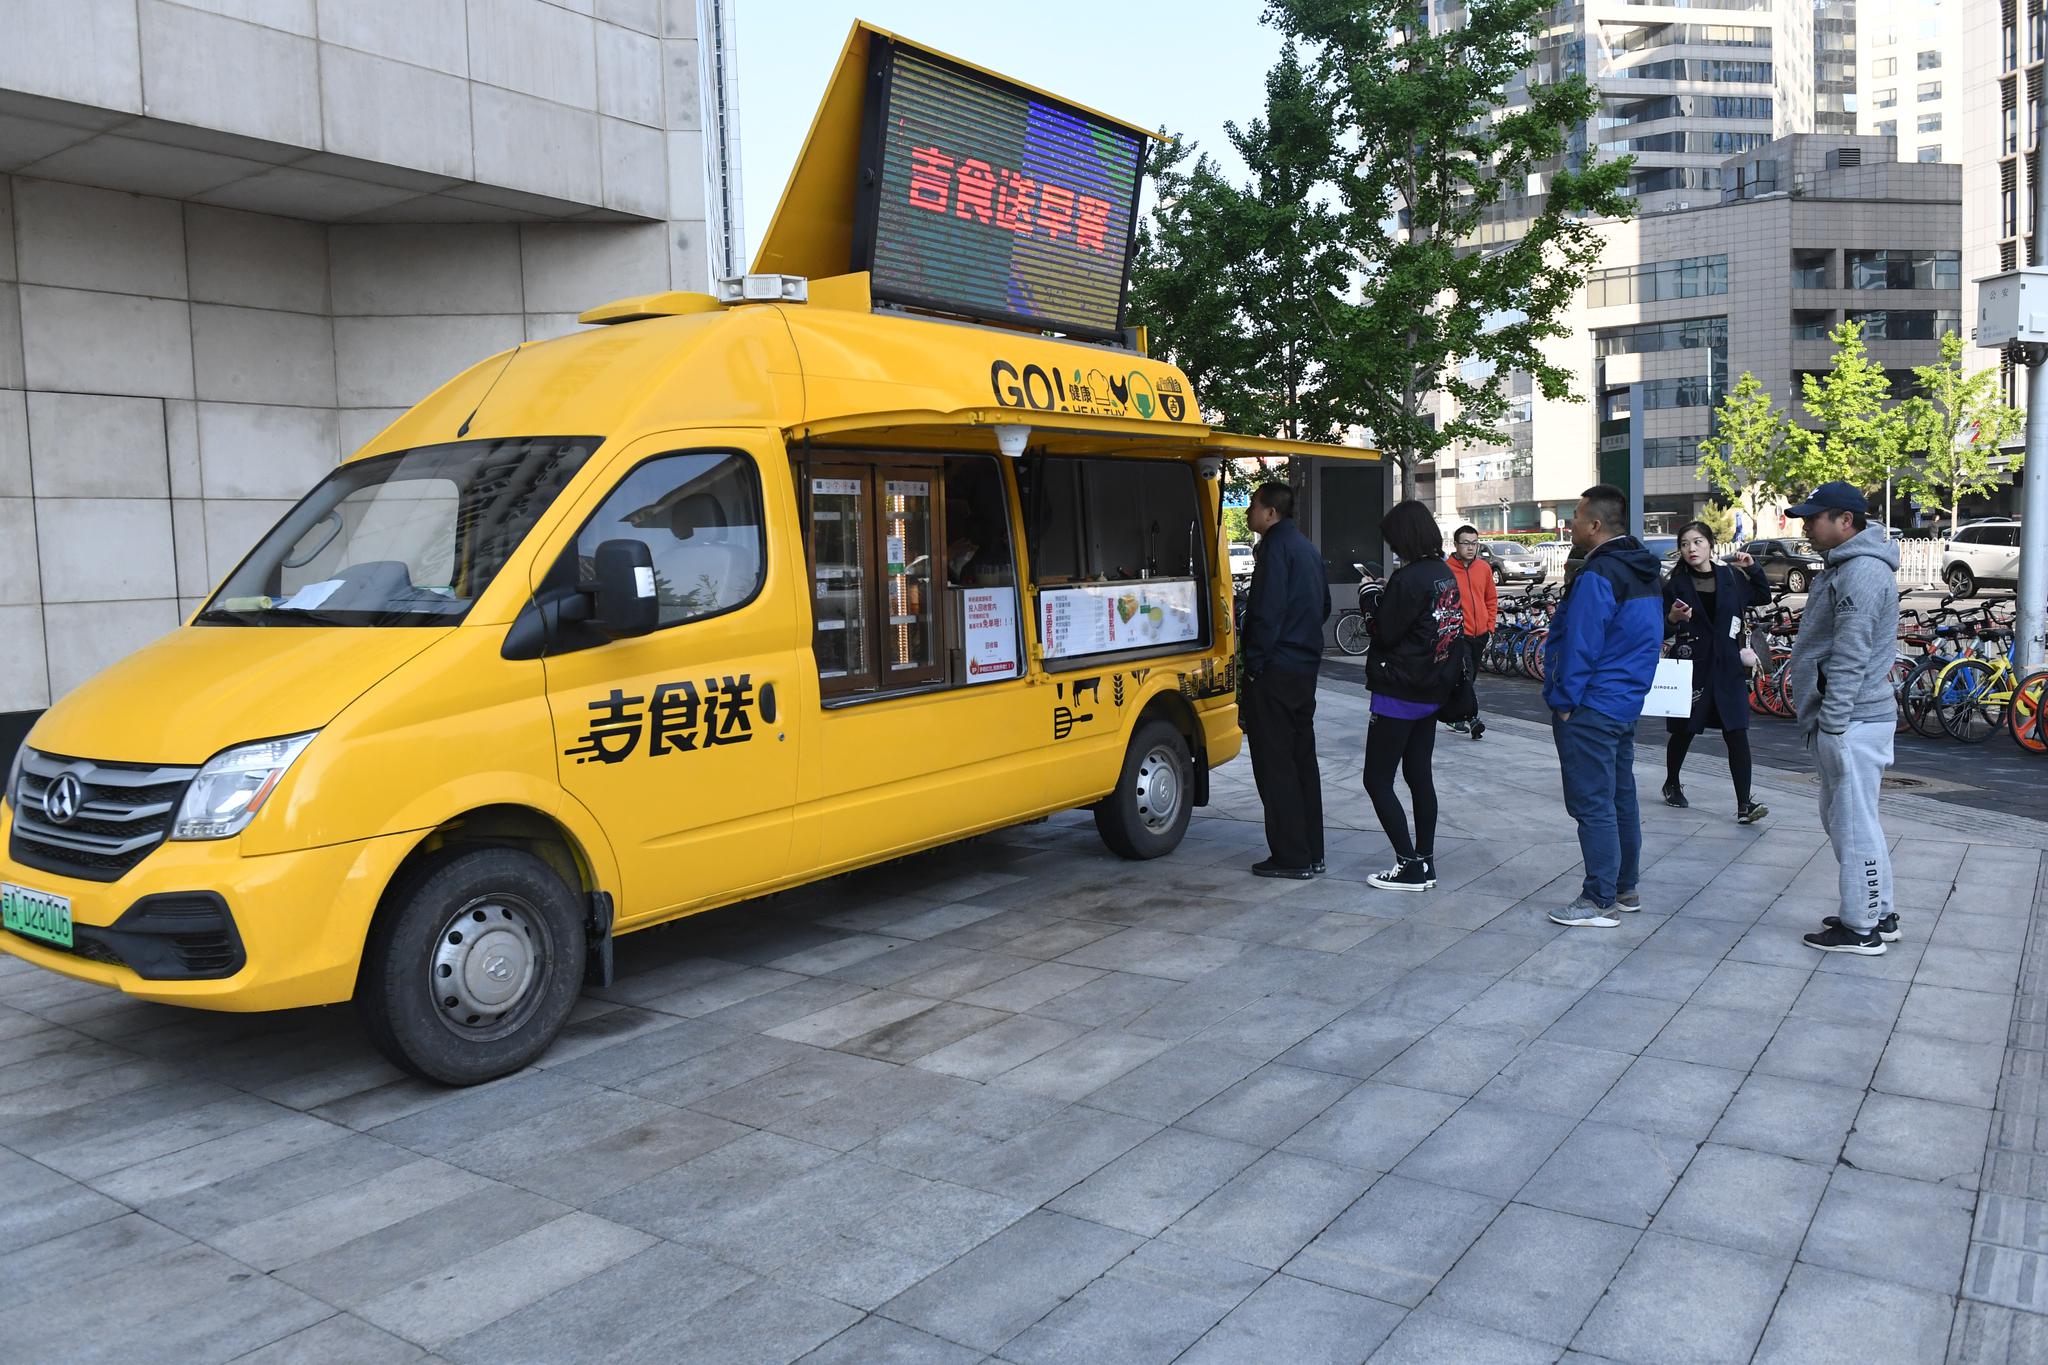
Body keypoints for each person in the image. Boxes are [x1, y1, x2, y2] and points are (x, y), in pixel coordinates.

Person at [1786, 483, 1902, 955]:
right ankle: (1880, 912)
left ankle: (1861, 927)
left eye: (1814, 518)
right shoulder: (1848, 567)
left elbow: (1851, 654)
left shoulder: (1862, 573)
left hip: (1851, 720)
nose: (1805, 525)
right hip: (1847, 718)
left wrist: (1832, 723)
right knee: (1850, 819)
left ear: (1845, 521)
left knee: (1852, 823)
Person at [1543, 484, 1665, 928]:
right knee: (1620, 798)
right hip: (1624, 701)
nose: (1570, 523)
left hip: (1591, 705)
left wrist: (1564, 702)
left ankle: (1598, 899)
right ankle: (1624, 888)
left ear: (1595, 525)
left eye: (1575, 516)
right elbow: (1648, 637)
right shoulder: (1644, 570)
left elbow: (1580, 643)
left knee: (1593, 804)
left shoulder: (1599, 575)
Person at [1360, 501, 1466, 891]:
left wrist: (1370, 596)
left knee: (1377, 779)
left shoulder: (1408, 579)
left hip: (1399, 691)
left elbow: (1383, 631)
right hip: (1431, 689)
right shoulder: (1442, 573)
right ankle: (1425, 860)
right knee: (1419, 775)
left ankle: (1407, 864)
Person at [1240, 481, 1331, 879]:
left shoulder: (1275, 549)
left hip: (1276, 670)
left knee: (1275, 764)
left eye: (1253, 507)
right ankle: (1312, 851)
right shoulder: (1307, 549)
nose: (1248, 513)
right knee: (1300, 761)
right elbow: (1324, 605)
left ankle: (1290, 855)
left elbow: (1265, 613)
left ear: (1270, 513)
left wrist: (1255, 665)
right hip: (1303, 668)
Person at [1662, 521, 1773, 823]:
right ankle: (1672, 782)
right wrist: (1672, 618)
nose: (1691, 549)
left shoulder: (1731, 577)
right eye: (1685, 544)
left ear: (1711, 544)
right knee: (1684, 731)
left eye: (1697, 542)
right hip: (1692, 665)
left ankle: (1744, 805)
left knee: (1737, 731)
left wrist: (1752, 568)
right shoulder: (1675, 584)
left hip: (1727, 665)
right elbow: (1661, 626)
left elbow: (1763, 596)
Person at [1444, 526, 1496, 739]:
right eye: (1466, 543)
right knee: (1465, 675)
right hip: (1458, 634)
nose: (1470, 547)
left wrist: (1490, 627)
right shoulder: (1446, 569)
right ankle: (1473, 718)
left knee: (1470, 676)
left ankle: (1454, 717)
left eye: (1474, 543)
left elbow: (1491, 599)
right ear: (1456, 544)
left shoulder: (1483, 568)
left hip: (1480, 633)